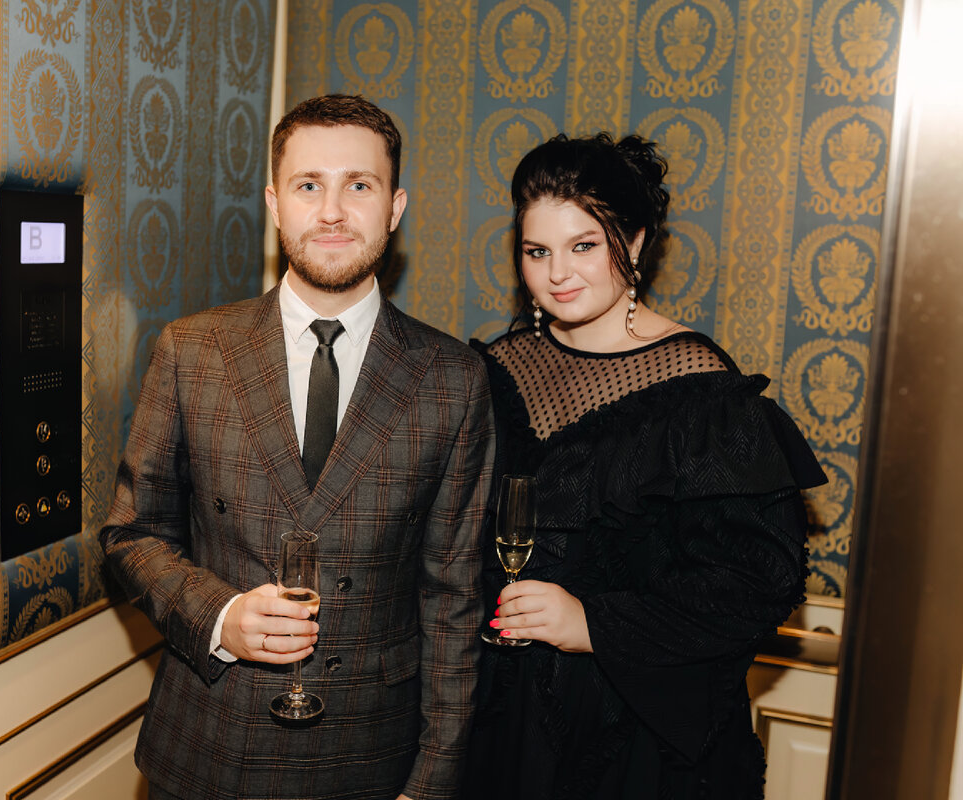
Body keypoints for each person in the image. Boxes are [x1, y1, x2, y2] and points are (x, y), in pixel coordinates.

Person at [100, 94, 494, 800]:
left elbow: (454, 598)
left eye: (359, 185)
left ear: (396, 207)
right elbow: (133, 535)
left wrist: (433, 781)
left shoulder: (453, 378)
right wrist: (220, 616)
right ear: (275, 204)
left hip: (371, 758)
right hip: (209, 747)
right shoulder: (192, 351)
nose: (332, 212)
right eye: (309, 185)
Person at [462, 132, 827, 799]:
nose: (558, 273)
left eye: (583, 246)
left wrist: (591, 624)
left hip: (630, 732)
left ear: (632, 244)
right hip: (499, 711)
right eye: (537, 251)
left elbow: (757, 583)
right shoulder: (496, 368)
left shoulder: (700, 392)